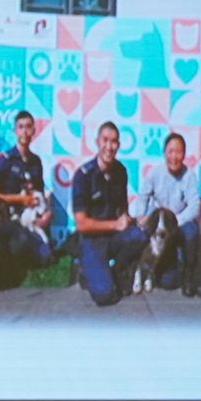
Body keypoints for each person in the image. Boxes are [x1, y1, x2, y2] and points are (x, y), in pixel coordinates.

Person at [71, 122, 146, 307]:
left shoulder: (121, 171)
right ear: (97, 142)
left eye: (114, 142)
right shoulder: (83, 175)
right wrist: (115, 225)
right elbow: (81, 224)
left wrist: (131, 220)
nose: (109, 146)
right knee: (105, 296)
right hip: (92, 240)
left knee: (140, 235)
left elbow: (122, 211)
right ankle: (86, 270)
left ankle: (116, 271)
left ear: (118, 145)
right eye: (105, 140)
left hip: (114, 237)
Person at [135, 131, 201, 294]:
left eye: (178, 152)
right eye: (170, 151)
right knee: (167, 283)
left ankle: (188, 277)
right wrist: (141, 216)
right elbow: (142, 197)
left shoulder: (189, 176)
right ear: (164, 153)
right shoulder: (155, 173)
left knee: (192, 230)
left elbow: (194, 206)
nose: (174, 157)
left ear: (184, 154)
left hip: (177, 226)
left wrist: (174, 222)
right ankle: (153, 268)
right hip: (159, 228)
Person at [0, 110, 52, 281]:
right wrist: (20, 199)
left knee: (46, 257)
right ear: (15, 131)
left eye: (28, 127)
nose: (25, 132)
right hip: (8, 218)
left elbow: (40, 193)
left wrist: (47, 213)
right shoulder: (5, 160)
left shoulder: (36, 161)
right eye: (21, 127)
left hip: (30, 217)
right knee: (20, 243)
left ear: (34, 131)